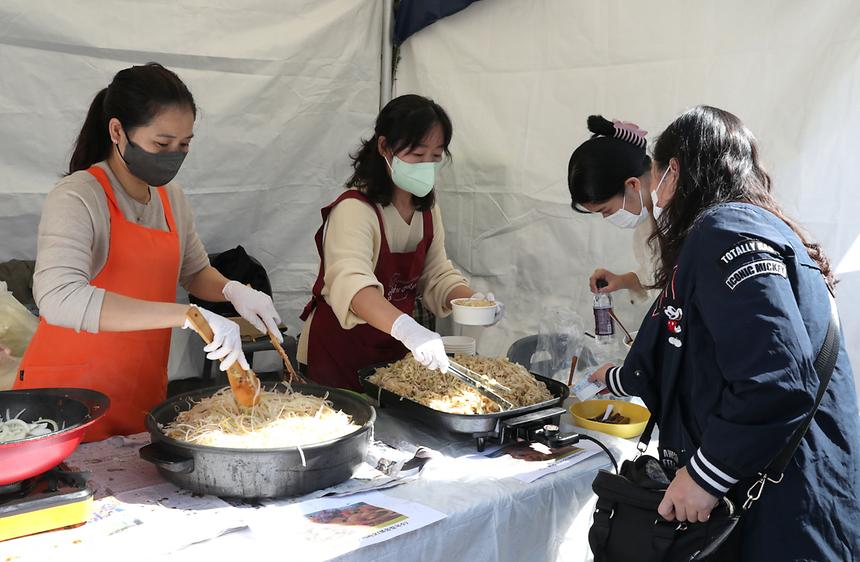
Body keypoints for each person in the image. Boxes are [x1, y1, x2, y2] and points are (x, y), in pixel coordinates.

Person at [589, 106, 860, 560]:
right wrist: (618, 378)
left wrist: (704, 477)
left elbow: (777, 379)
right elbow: (690, 344)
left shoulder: (725, 233)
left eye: (656, 173)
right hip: (798, 488)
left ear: (672, 170)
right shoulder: (750, 227)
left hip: (782, 507)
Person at [17, 63, 281, 440]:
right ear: (117, 131)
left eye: (184, 144)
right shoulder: (78, 196)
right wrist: (187, 315)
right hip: (65, 399)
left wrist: (234, 290)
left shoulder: (171, 198)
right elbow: (60, 297)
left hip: (138, 390)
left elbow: (194, 271)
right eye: (162, 144)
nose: (173, 154)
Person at [298, 94, 502, 391]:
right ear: (384, 147)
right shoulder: (355, 209)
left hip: (394, 353)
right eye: (417, 155)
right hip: (340, 353)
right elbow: (353, 286)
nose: (427, 166)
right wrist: (408, 329)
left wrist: (474, 301)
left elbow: (436, 274)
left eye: (436, 156)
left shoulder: (427, 209)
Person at [568, 116, 659, 305]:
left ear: (632, 184)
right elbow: (658, 278)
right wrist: (620, 280)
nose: (606, 217)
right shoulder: (649, 220)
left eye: (606, 210)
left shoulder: (688, 216)